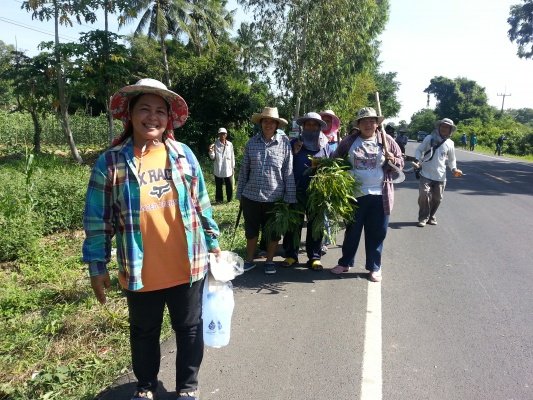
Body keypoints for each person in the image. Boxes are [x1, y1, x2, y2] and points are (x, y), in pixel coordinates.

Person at [82, 78, 220, 400]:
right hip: (140, 270)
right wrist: (96, 266)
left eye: (160, 111)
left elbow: (201, 204)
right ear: (129, 114)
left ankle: (188, 387)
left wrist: (214, 245)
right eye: (144, 109)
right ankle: (145, 386)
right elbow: (97, 220)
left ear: (168, 119)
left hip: (187, 266)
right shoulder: (111, 162)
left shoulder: (183, 155)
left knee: (189, 330)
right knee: (144, 332)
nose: (153, 117)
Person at [330, 107, 404, 282]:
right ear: (359, 124)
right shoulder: (349, 141)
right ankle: (345, 262)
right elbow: (335, 160)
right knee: (352, 232)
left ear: (377, 124)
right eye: (364, 121)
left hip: (380, 195)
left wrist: (393, 159)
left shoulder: (387, 141)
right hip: (354, 195)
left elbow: (400, 164)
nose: (368, 124)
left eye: (372, 120)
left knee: (377, 233)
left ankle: (374, 267)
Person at [236, 107, 296, 275]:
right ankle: (249, 260)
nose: (268, 124)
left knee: (273, 233)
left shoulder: (284, 144)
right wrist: (239, 194)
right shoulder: (251, 143)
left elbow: (288, 172)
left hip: (275, 198)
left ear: (277, 124)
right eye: (265, 121)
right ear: (261, 123)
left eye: (272, 121)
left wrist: (289, 198)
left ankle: (269, 261)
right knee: (251, 230)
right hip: (251, 196)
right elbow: (244, 170)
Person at [282, 112, 331, 271]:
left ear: (319, 128)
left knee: (316, 225)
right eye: (308, 124)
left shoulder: (325, 146)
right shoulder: (294, 143)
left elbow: (330, 168)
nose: (311, 127)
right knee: (293, 225)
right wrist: (295, 153)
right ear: (303, 127)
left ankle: (314, 257)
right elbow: (284, 165)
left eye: (314, 125)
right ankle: (291, 255)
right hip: (296, 190)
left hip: (316, 192)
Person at [413, 118, 463, 227]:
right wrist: (417, 160)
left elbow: (451, 159)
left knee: (438, 198)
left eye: (447, 127)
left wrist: (454, 169)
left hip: (440, 175)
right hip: (425, 173)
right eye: (443, 126)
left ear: (450, 130)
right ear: (439, 127)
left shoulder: (450, 143)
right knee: (424, 195)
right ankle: (423, 217)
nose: (444, 129)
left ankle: (431, 216)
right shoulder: (429, 138)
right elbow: (419, 150)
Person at [208, 127, 235, 203]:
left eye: (224, 134)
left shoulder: (230, 144)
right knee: (219, 186)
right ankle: (219, 200)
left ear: (226, 135)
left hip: (228, 168)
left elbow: (232, 156)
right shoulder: (215, 145)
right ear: (218, 135)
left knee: (229, 185)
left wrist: (233, 167)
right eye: (221, 134)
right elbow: (212, 157)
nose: (222, 135)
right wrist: (211, 151)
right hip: (218, 168)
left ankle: (229, 199)